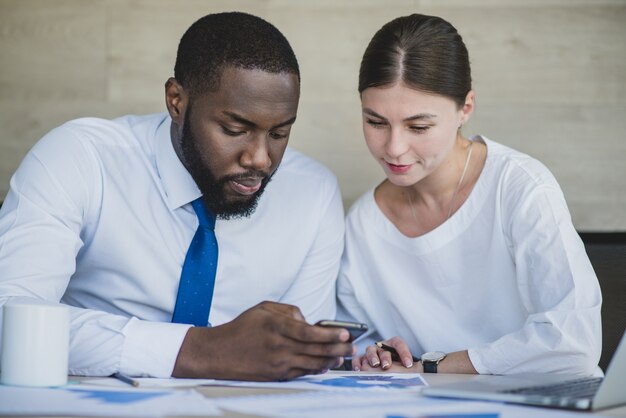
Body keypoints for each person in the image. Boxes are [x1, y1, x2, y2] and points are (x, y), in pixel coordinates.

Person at [0, 12, 354, 381]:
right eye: (234, 129)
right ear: (176, 100)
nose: (260, 158)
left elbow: (307, 361)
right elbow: (9, 316)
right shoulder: (81, 158)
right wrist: (201, 350)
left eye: (280, 133)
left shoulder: (312, 193)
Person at [337, 13, 602, 376]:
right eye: (375, 122)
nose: (394, 148)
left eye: (419, 126)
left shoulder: (520, 188)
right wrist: (372, 354)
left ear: (466, 108)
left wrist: (431, 368)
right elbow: (359, 339)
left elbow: (572, 343)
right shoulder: (364, 223)